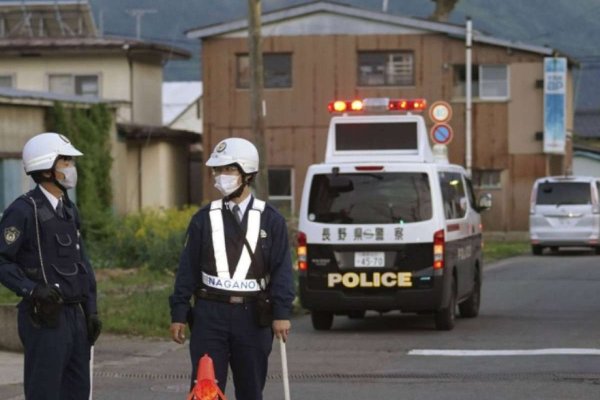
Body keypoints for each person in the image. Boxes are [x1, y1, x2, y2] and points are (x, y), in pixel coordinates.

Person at [169, 137, 295, 400]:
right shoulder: (204, 218)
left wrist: (281, 312)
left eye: (228, 170)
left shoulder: (270, 219)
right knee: (206, 390)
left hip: (252, 316)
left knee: (250, 389)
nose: (220, 177)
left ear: (247, 173)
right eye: (217, 170)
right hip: (209, 315)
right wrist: (179, 312)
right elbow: (187, 269)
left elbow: (283, 268)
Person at [0, 132, 102, 400]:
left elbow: (83, 264)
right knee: (45, 392)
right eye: (65, 161)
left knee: (78, 391)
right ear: (46, 168)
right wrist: (31, 290)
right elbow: (2, 260)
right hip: (44, 317)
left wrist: (91, 310)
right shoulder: (23, 210)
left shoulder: (69, 209)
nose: (71, 168)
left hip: (75, 317)